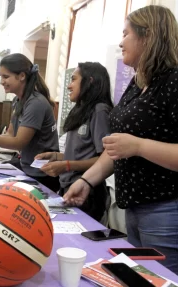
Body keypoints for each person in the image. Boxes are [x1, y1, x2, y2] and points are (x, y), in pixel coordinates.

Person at [64, 6, 178, 284]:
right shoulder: (138, 84)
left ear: (148, 37)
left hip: (169, 212)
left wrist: (138, 146)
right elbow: (117, 148)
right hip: (135, 211)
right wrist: (86, 181)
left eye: (126, 34)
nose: (121, 42)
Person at [0, 53, 60, 191]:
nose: (1, 82)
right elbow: (10, 134)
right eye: (1, 77)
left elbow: (19, 142)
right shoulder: (18, 101)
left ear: (22, 76)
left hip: (42, 174)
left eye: (5, 77)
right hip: (27, 168)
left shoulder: (36, 103)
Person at [35, 62, 113, 221]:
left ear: (89, 81)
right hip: (68, 187)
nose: (69, 86)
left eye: (74, 80)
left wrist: (66, 165)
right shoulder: (79, 110)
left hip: (88, 193)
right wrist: (56, 156)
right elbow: (80, 153)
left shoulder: (99, 110)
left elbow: (104, 158)